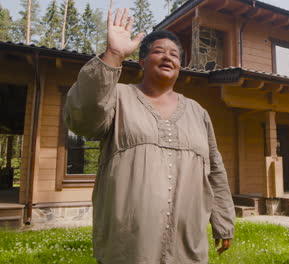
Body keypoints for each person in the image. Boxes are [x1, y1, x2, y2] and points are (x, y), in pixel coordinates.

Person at [64, 7, 235, 264]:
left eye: (174, 54)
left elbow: (215, 170)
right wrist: (113, 55)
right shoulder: (119, 96)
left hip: (186, 243)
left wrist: (223, 221)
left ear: (180, 65)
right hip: (128, 245)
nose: (168, 57)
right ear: (142, 61)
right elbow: (84, 121)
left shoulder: (198, 113)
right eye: (158, 51)